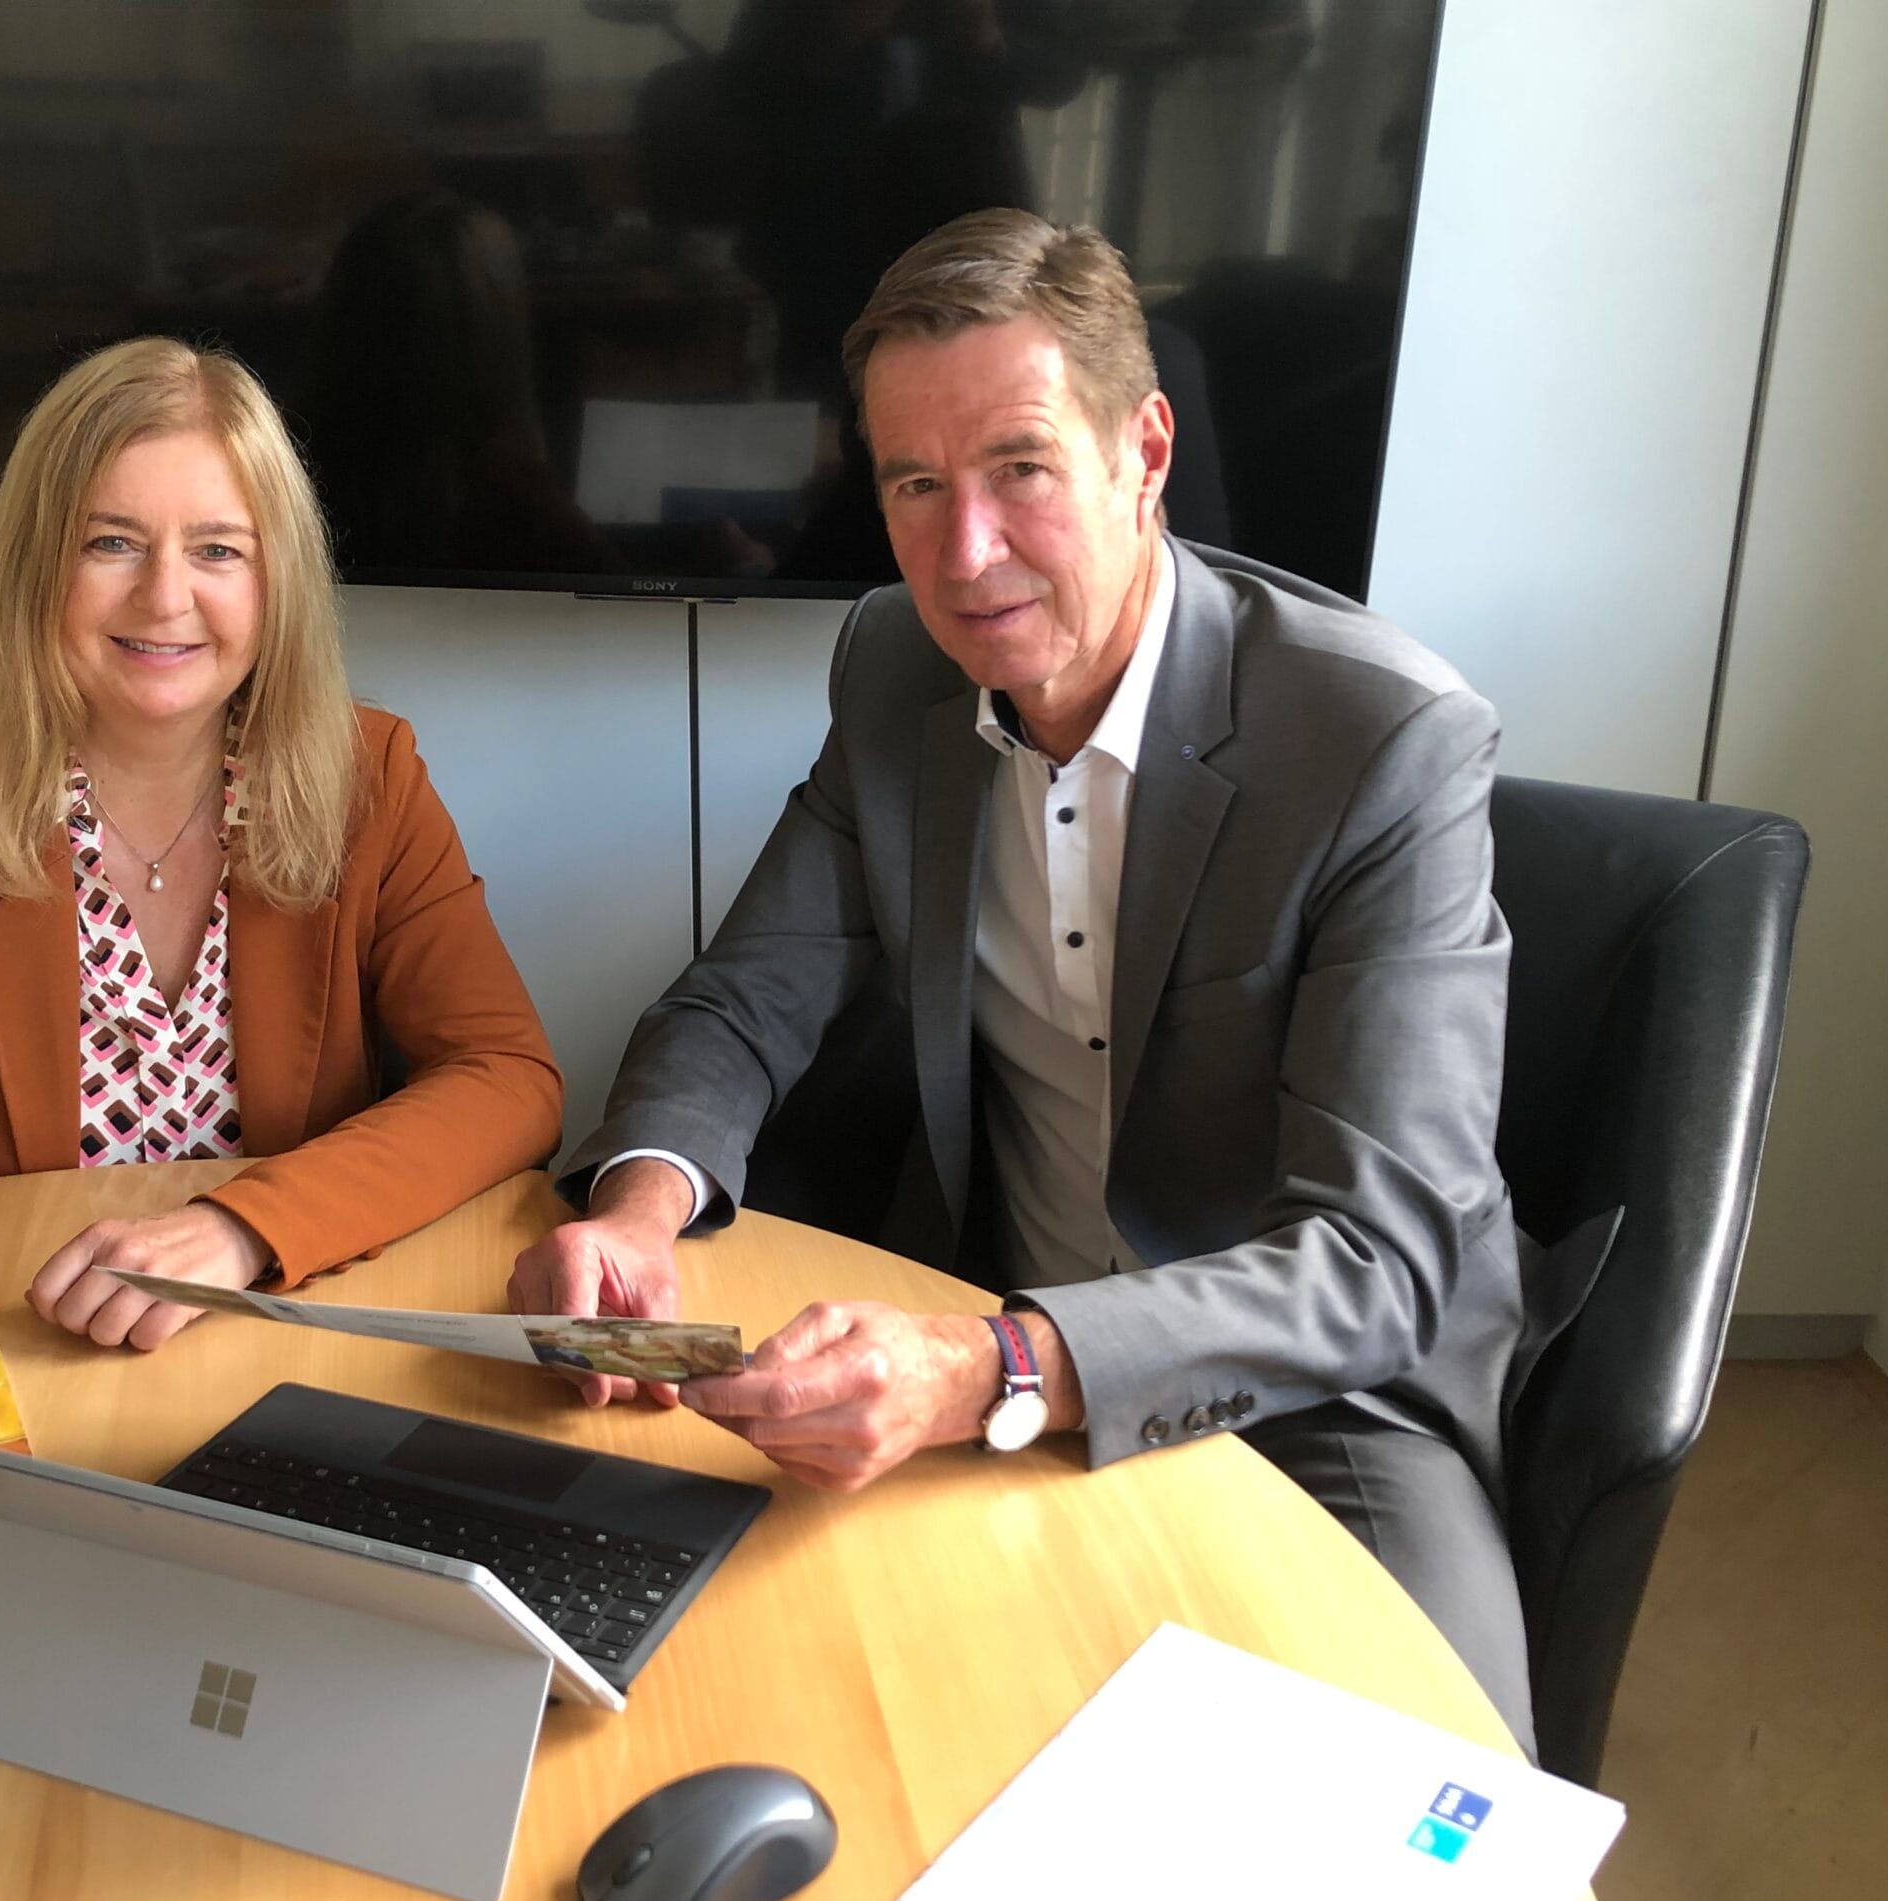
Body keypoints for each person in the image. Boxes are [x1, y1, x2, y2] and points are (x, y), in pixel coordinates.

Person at [509, 209, 1547, 1751]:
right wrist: (638, 1208)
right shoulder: (894, 668)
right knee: (774, 1721)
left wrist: (1001, 1365)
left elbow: (1375, 1264)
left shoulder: (1382, 742)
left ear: (1145, 452)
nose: (965, 553)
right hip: (978, 1317)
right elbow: (748, 992)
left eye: (1021, 469)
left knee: (1449, 1810)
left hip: (1313, 1394)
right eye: (915, 485)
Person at [0, 339, 563, 1414]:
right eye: (111, 542)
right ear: (38, 566)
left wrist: (244, 1228)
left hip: (284, 1330)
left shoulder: (370, 776)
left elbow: (507, 1075)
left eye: (218, 550)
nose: (166, 596)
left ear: (276, 583)